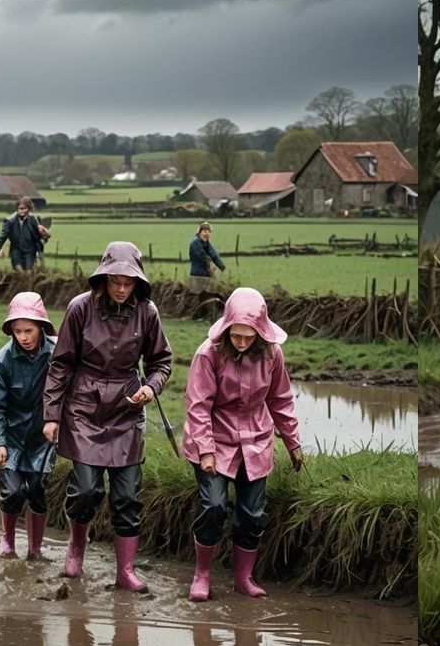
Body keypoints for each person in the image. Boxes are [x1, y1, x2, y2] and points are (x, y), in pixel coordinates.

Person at [42, 242, 173, 592]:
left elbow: (161, 362)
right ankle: (76, 545)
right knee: (86, 490)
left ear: (138, 283)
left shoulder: (147, 312)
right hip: (83, 406)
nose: (121, 289)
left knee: (127, 495)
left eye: (128, 283)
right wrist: (52, 415)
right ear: (102, 278)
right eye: (115, 281)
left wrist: (151, 388)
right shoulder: (79, 308)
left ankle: (125, 571)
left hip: (127, 406)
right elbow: (60, 364)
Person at [180, 287, 304, 600]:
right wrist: (206, 451)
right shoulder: (208, 354)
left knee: (251, 513)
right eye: (235, 335)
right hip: (214, 437)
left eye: (248, 337)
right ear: (226, 329)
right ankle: (202, 574)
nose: (241, 342)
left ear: (260, 333)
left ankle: (243, 578)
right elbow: (198, 406)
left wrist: (293, 442)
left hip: (256, 440)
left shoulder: (272, 355)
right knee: (214, 505)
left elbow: (280, 400)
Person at [0, 291, 57, 561]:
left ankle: (35, 548)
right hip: (11, 436)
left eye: (29, 330)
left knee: (37, 490)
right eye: (17, 331)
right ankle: (8, 538)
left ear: (41, 327)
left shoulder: (57, 354)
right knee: (13, 491)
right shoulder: (2, 360)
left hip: (43, 436)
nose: (23, 337)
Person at [0, 197, 50, 273]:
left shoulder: (33, 219)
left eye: (24, 208)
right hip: (16, 250)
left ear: (28, 209)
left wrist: (45, 236)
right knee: (18, 271)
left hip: (30, 250)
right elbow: (3, 236)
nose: (22, 211)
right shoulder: (10, 221)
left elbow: (39, 235)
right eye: (20, 208)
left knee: (29, 271)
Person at [188, 221, 227, 290]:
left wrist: (222, 267)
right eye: (205, 231)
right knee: (198, 294)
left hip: (206, 276)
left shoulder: (206, 244)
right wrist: (210, 262)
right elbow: (201, 254)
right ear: (200, 232)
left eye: (209, 232)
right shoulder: (195, 242)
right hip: (197, 276)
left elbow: (214, 255)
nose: (207, 234)